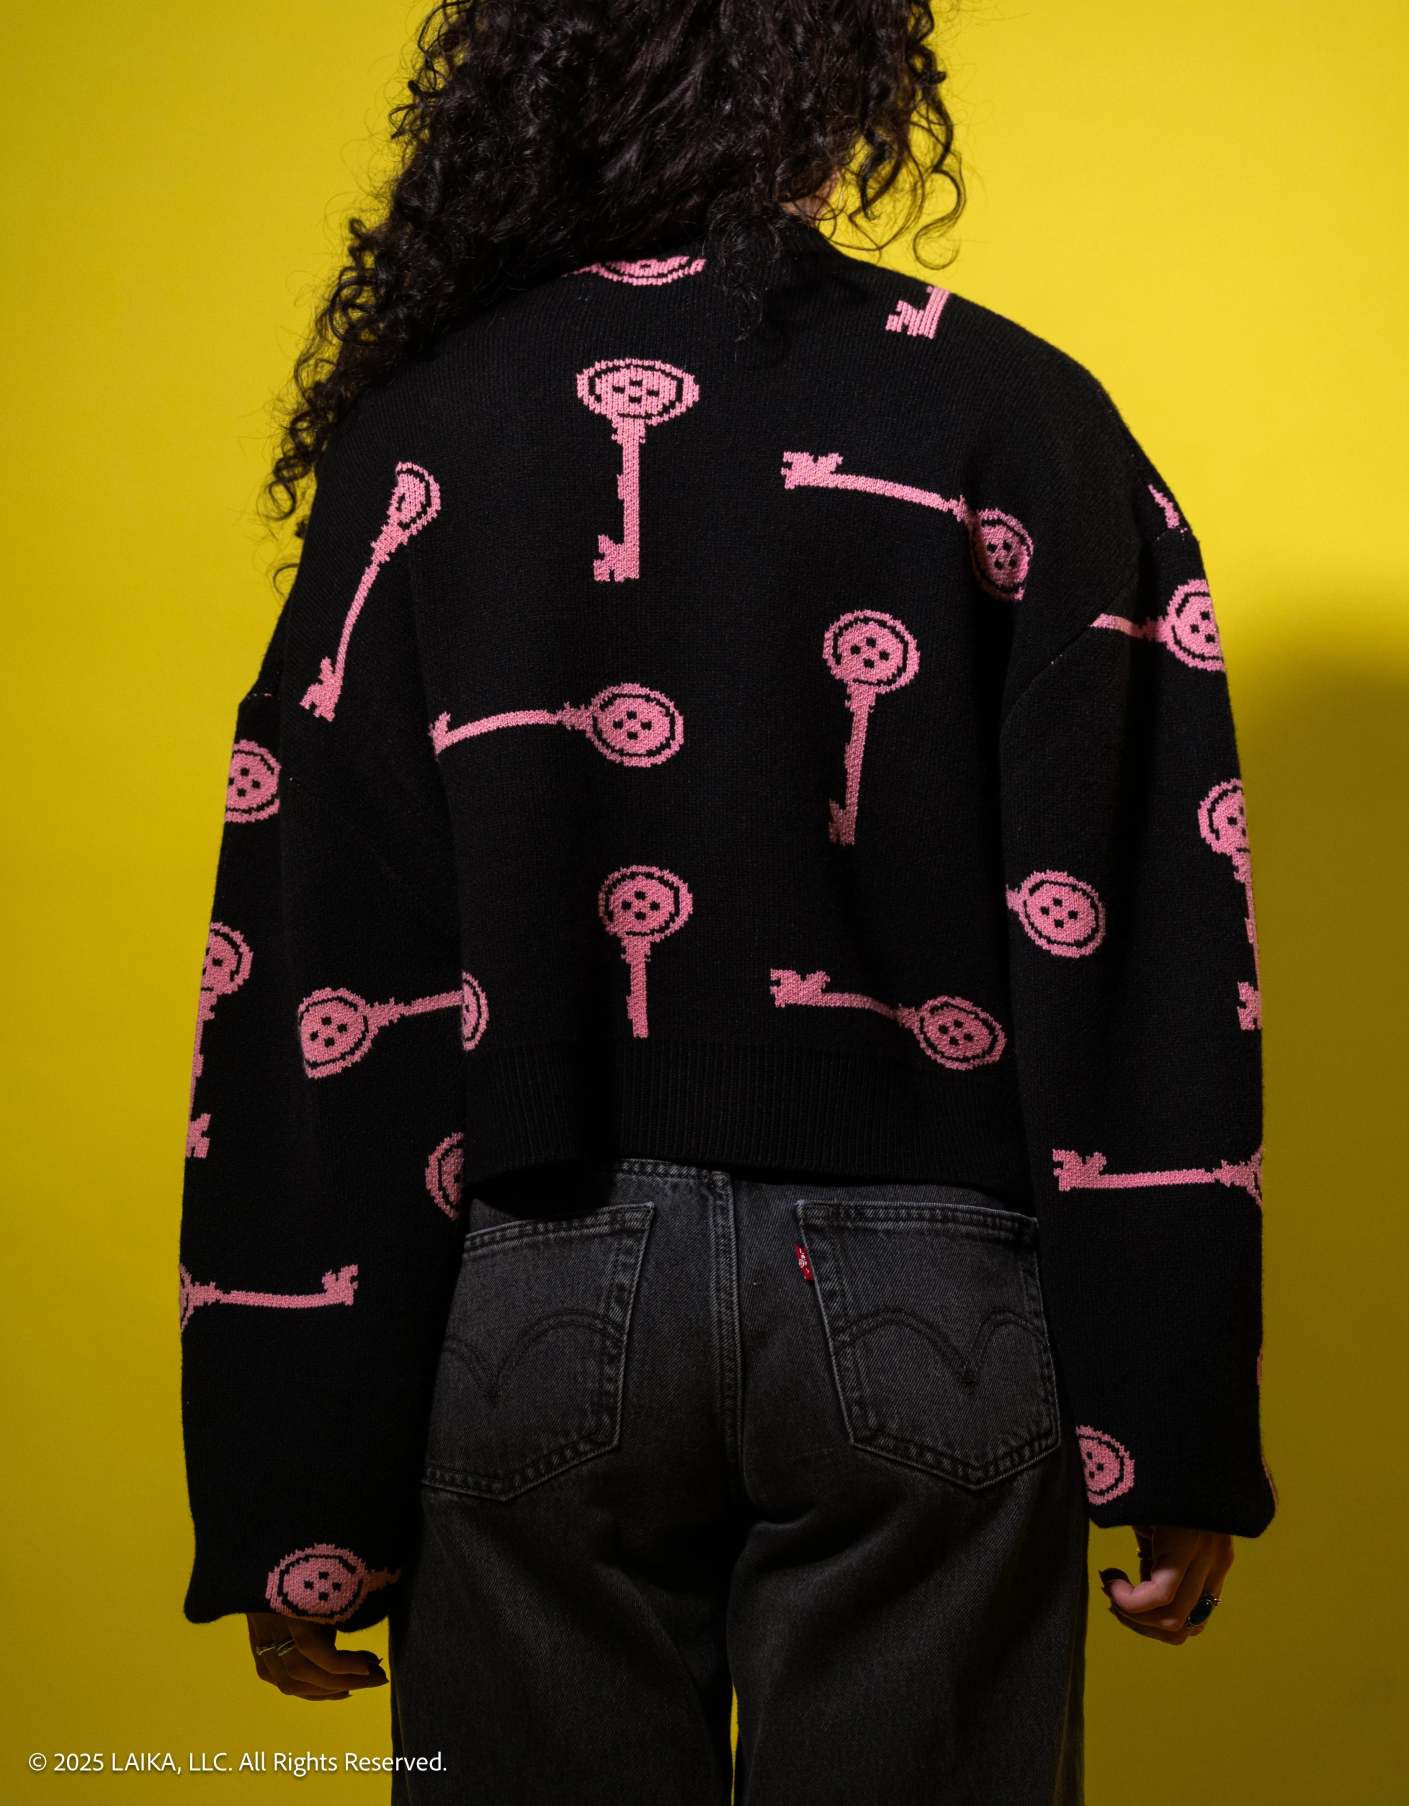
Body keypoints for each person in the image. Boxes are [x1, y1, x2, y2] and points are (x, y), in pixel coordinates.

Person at [177, 3, 1276, 1799]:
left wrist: (296, 1484)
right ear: (842, 95)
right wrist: (1168, 1418)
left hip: (532, 1292)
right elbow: (1139, 912)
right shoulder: (1017, 411)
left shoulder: (432, 438)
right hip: (932, 1300)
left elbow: (314, 945)